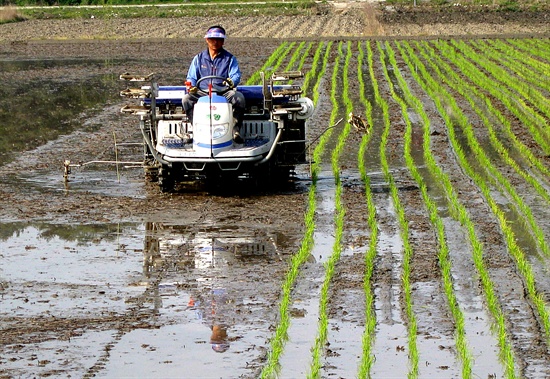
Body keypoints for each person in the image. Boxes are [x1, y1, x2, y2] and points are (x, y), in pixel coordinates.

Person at [182, 25, 246, 144]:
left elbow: (235, 75)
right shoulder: (199, 58)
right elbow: (191, 77)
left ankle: (235, 130)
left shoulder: (230, 58)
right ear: (207, 40)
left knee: (239, 98)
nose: (215, 42)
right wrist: (191, 86)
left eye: (219, 40)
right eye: (212, 39)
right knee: (186, 99)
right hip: (203, 92)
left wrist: (232, 81)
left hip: (223, 92)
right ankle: (195, 128)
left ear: (223, 41)